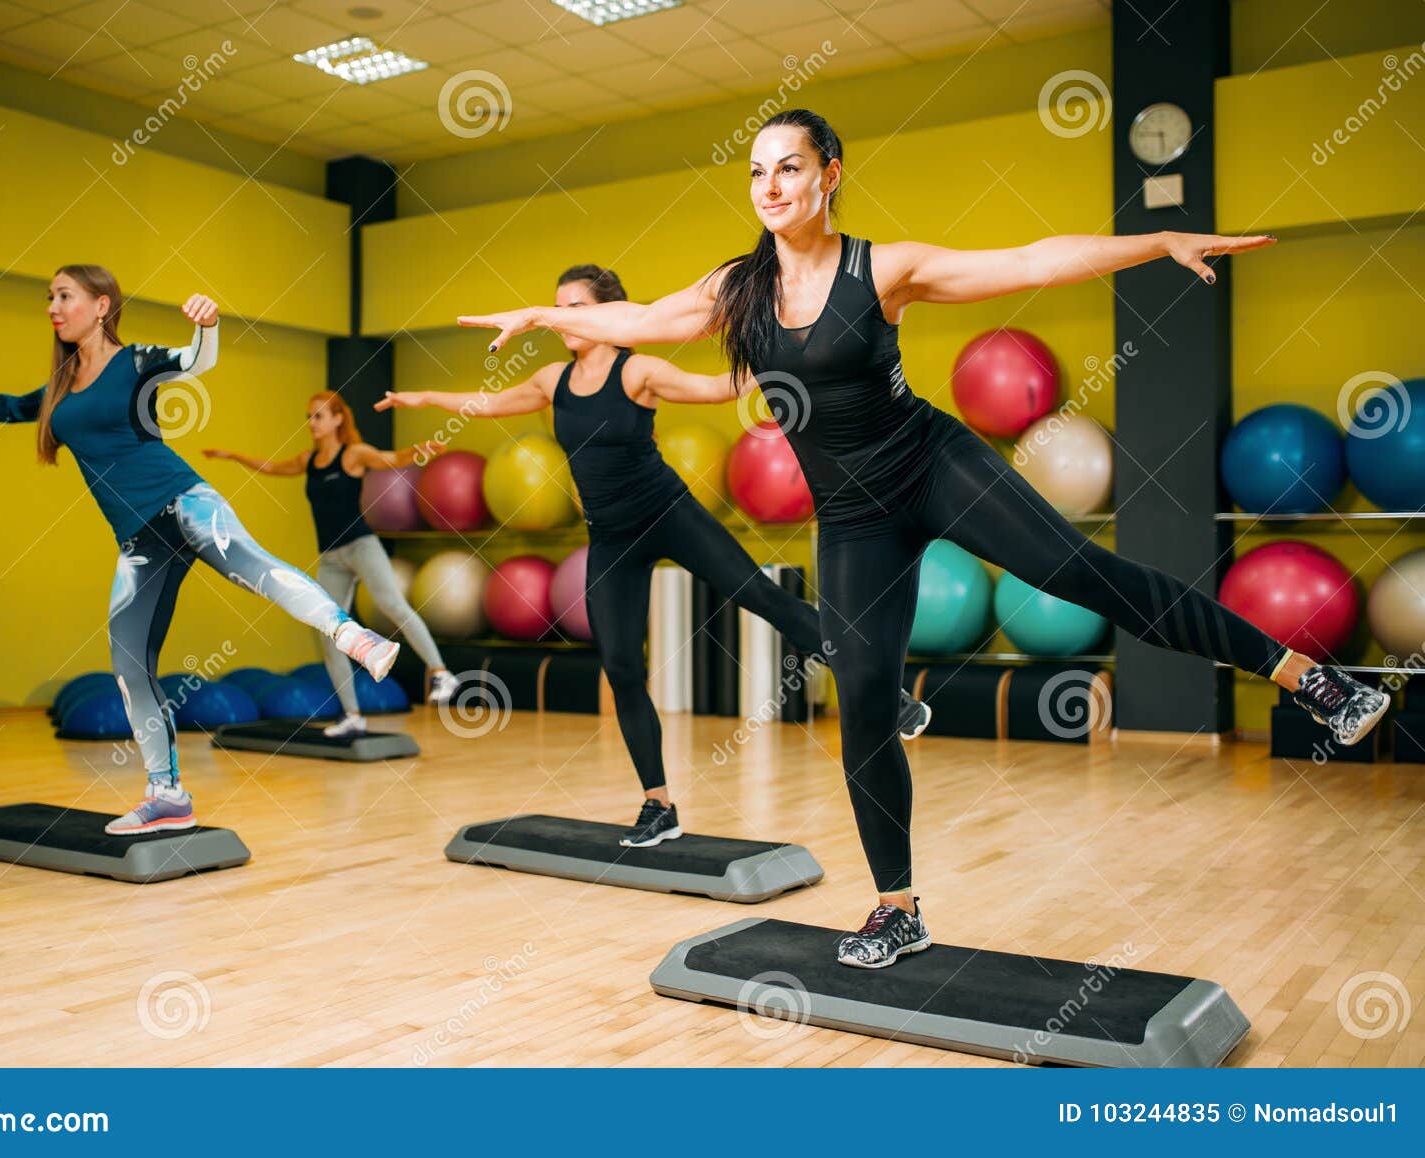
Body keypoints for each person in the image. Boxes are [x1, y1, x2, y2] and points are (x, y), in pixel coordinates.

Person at [456, 110, 1391, 967]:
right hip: (853, 517)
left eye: (790, 168)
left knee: (1085, 575)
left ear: (830, 175)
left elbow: (1028, 260)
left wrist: (1157, 240)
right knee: (861, 704)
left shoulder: (883, 269)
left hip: (933, 465)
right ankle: (898, 908)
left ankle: (1309, 677)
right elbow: (641, 318)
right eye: (756, 173)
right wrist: (546, 315)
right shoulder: (737, 290)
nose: (771, 186)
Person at [380, 263, 931, 848]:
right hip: (612, 538)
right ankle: (657, 804)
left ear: (606, 314)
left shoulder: (636, 369)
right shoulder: (551, 381)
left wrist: (785, 358)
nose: (564, 318)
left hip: (669, 515)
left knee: (765, 599)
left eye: (576, 307)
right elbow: (487, 404)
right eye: (558, 308)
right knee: (619, 665)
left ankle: (882, 695)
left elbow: (716, 388)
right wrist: (421, 396)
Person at [0, 265, 399, 835]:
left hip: (183, 500)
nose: (53, 307)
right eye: (49, 298)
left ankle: (356, 636)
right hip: (139, 539)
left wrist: (208, 326)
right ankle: (168, 794)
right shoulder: (60, 389)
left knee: (254, 571)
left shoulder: (135, 363)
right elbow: (6, 406)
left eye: (65, 296)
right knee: (129, 662)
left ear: (102, 305)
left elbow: (194, 361)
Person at [204, 392, 460, 735]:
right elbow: (273, 467)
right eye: (309, 417)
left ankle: (441, 673)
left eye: (319, 416)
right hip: (331, 557)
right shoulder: (308, 459)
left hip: (361, 546)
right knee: (329, 630)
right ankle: (353, 716)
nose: (312, 423)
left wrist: (419, 451)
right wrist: (233, 455)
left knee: (392, 605)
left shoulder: (354, 455)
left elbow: (392, 458)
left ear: (338, 419)